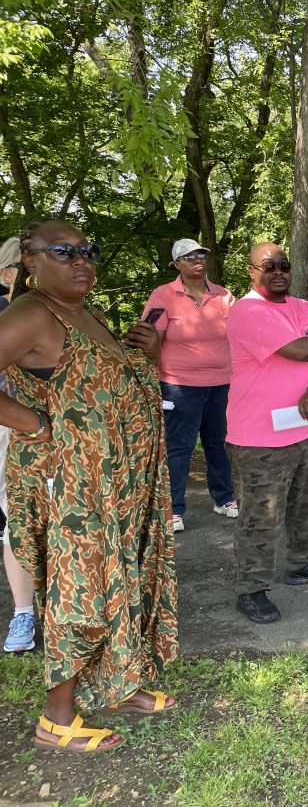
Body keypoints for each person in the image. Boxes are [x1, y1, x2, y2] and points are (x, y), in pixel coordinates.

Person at [0, 219, 179, 752]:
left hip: (117, 480)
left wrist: (147, 353)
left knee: (119, 577)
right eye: (65, 252)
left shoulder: (83, 312)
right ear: (31, 261)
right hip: (74, 486)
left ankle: (116, 680)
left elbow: (104, 385)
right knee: (79, 589)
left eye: (89, 250)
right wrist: (32, 423)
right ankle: (56, 717)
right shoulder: (31, 313)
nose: (83, 260)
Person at [226, 242, 308, 624]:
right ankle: (252, 589)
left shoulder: (306, 309)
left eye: (283, 265)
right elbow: (300, 349)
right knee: (260, 518)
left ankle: (303, 564)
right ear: (251, 271)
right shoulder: (247, 311)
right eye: (268, 266)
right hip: (257, 437)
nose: (278, 271)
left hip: (303, 428)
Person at [142, 238, 237, 534]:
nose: (198, 259)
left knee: (219, 443)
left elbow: (241, 335)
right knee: (179, 448)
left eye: (201, 255)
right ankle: (173, 509)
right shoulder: (163, 295)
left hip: (223, 383)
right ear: (176, 264)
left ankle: (224, 498)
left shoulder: (223, 295)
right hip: (179, 385)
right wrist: (151, 378)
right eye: (190, 256)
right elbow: (149, 338)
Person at [0, 236, 36, 654]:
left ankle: (25, 611)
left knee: (22, 518)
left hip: (33, 432)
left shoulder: (49, 311)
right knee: (15, 520)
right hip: (13, 428)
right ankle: (23, 610)